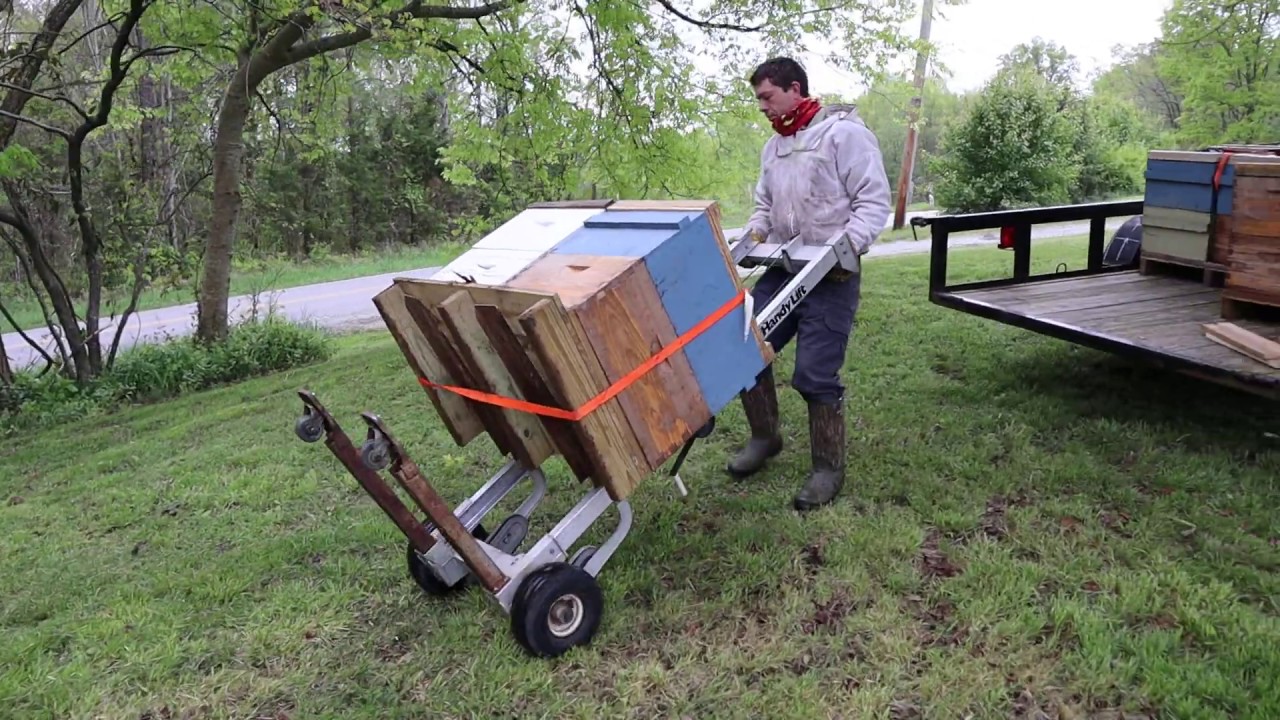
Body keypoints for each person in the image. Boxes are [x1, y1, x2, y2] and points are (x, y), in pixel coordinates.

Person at [728, 56, 892, 512]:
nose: (761, 106)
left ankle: (827, 468)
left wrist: (845, 248)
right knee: (745, 349)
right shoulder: (773, 148)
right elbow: (764, 207)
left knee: (815, 374)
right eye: (758, 98)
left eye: (767, 96)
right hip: (783, 268)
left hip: (832, 277)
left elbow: (873, 203)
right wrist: (755, 234)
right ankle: (765, 437)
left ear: (795, 89)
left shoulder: (845, 135)